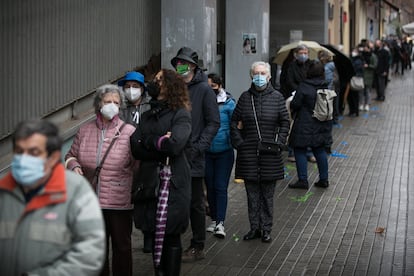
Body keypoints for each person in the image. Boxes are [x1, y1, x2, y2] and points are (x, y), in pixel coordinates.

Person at [0, 119, 105, 276]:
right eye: (19, 151)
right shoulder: (4, 192)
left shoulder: (76, 191)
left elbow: (90, 253)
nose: (23, 159)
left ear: (53, 157)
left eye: (34, 152)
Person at [65, 84, 137, 276]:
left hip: (119, 201)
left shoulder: (129, 131)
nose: (112, 105)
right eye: (107, 102)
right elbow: (70, 156)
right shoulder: (84, 131)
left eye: (116, 102)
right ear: (99, 104)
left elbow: (137, 166)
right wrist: (75, 166)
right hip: (92, 201)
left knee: (122, 247)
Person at [130, 69, 192, 276]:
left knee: (171, 235)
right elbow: (135, 146)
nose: (153, 83)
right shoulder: (147, 115)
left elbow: (175, 145)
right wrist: (159, 140)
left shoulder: (181, 114)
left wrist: (151, 142)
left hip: (173, 184)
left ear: (169, 86)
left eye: (158, 80)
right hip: (149, 182)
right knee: (153, 231)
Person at [230, 61, 290, 243]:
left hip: (270, 155)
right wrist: (239, 143)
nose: (259, 76)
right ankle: (254, 228)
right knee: (252, 195)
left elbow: (285, 122)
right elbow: (234, 122)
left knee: (268, 196)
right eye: (256, 73)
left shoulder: (278, 97)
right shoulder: (244, 98)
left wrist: (279, 142)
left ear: (269, 76)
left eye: (263, 73)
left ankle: (266, 229)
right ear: (251, 76)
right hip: (248, 154)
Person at [170, 46, 220, 262]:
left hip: (194, 156)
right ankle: (173, 243)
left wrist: (199, 146)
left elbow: (213, 122)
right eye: (177, 63)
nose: (179, 66)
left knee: (195, 203)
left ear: (192, 66)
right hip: (173, 154)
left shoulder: (204, 90)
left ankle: (197, 245)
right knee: (175, 201)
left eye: (183, 63)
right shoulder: (174, 88)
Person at [118, 71, 153, 253]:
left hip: (146, 159)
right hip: (125, 159)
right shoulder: (121, 109)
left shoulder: (149, 106)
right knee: (128, 198)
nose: (131, 90)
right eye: (127, 86)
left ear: (142, 88)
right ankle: (129, 233)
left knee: (145, 198)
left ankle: (148, 235)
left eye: (135, 86)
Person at [288, 61, 333, 189]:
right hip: (321, 124)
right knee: (319, 150)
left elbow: (295, 104)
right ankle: (324, 179)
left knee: (300, 149)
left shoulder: (304, 86)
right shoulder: (326, 87)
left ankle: (303, 180)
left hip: (304, 124)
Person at [205, 73, 236, 238]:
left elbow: (236, 126)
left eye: (213, 87)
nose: (211, 90)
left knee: (220, 186)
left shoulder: (229, 104)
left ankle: (220, 223)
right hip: (207, 152)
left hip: (224, 151)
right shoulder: (203, 103)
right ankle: (214, 218)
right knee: (209, 187)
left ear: (219, 85)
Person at [284, 44, 316, 163]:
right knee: (294, 125)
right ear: (296, 54)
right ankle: (292, 151)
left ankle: (309, 152)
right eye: (301, 53)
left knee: (310, 126)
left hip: (309, 97)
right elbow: (289, 81)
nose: (303, 55)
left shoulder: (312, 65)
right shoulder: (291, 66)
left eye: (305, 53)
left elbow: (314, 79)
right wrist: (299, 91)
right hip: (296, 96)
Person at [360, 42, 377, 112]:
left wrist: (368, 66)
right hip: (362, 75)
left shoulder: (373, 56)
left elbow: (375, 65)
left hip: (369, 75)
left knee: (367, 91)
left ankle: (367, 104)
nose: (364, 49)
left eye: (365, 47)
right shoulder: (361, 55)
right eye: (364, 47)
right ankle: (361, 104)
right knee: (361, 91)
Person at [348, 46, 365, 117]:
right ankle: (353, 111)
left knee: (354, 96)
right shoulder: (353, 59)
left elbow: (356, 69)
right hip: (353, 79)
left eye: (354, 51)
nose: (353, 53)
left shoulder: (358, 61)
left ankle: (354, 111)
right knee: (353, 96)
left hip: (355, 80)